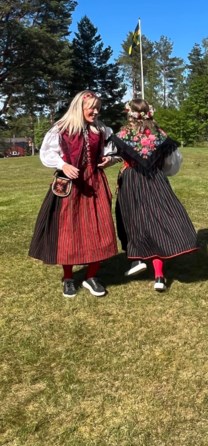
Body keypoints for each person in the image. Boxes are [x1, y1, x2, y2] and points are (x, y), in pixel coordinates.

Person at [29, 91, 120, 297]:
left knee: (100, 228)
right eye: (92, 108)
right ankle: (68, 278)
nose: (96, 112)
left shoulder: (101, 129)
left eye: (98, 108)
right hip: (70, 185)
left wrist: (110, 160)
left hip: (95, 183)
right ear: (79, 107)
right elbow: (47, 153)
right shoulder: (62, 129)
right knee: (68, 230)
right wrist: (63, 164)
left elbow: (112, 152)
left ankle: (91, 276)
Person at [111, 99, 198, 292]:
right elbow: (173, 162)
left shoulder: (124, 135)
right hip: (155, 180)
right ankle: (159, 276)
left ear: (130, 114)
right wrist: (159, 170)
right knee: (157, 221)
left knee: (134, 220)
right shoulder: (159, 135)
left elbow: (112, 155)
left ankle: (138, 259)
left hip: (131, 181)